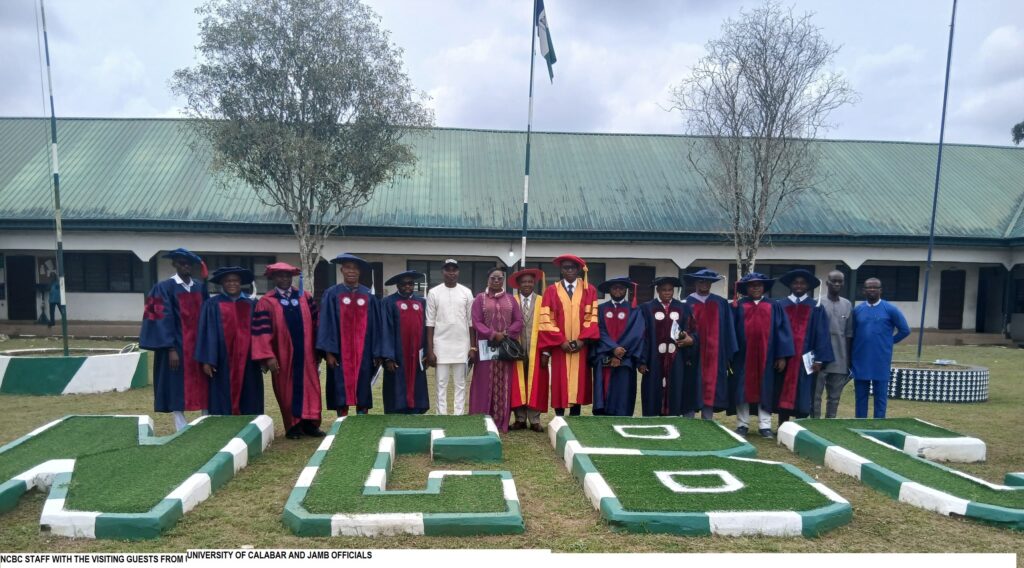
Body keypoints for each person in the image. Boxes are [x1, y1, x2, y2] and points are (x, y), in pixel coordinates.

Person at [251, 262, 323, 439]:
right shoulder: (266, 301)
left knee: (311, 388)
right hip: (283, 355)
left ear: (292, 277)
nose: (284, 278)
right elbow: (262, 332)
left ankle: (310, 424)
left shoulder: (305, 297)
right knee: (286, 390)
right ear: (273, 278)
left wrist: (319, 350)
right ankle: (293, 426)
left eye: (287, 275)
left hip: (307, 355)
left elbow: (317, 324)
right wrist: (268, 356)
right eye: (280, 275)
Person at [139, 248, 209, 431]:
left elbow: (208, 316)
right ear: (174, 264)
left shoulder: (200, 287)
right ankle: (180, 425)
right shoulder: (164, 288)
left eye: (188, 264)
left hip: (198, 346)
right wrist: (170, 348)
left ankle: (205, 418)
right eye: (181, 263)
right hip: (177, 346)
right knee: (176, 383)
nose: (186, 266)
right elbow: (162, 319)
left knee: (203, 382)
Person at [317, 253, 384, 416]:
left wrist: (377, 352)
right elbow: (325, 323)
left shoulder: (368, 295)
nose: (351, 271)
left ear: (359, 272)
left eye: (355, 268)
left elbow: (377, 325)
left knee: (363, 387)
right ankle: (342, 419)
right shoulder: (332, 294)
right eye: (348, 267)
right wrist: (328, 352)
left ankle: (362, 419)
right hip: (339, 352)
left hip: (364, 352)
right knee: (340, 388)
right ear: (341, 270)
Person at [195, 266, 264, 416]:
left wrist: (262, 356)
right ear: (222, 283)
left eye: (235, 280)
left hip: (248, 359)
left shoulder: (252, 303)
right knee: (222, 392)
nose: (232, 283)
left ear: (240, 282)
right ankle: (223, 422)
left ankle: (249, 421)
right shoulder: (211, 304)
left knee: (250, 391)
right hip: (221, 359)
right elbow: (205, 333)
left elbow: (261, 333)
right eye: (227, 281)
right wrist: (207, 360)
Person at [731, 272, 793, 438]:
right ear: (746, 288)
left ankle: (765, 426)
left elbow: (782, 332)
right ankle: (742, 424)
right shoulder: (738, 306)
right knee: (742, 389)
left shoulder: (774, 306)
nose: (756, 288)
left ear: (764, 287)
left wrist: (781, 356)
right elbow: (730, 331)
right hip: (743, 356)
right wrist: (731, 354)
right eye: (752, 285)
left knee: (765, 389)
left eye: (759, 285)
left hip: (767, 356)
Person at [538, 254, 600, 416]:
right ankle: (559, 417)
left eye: (573, 267)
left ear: (579, 269)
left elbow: (592, 318)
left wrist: (582, 340)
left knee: (579, 382)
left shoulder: (589, 290)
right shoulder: (551, 291)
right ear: (561, 270)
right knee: (560, 380)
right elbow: (546, 319)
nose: (570, 270)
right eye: (566, 268)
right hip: (560, 347)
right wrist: (561, 341)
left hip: (581, 346)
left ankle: (575, 416)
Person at [468, 268, 524, 432]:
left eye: (500, 278)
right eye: (493, 278)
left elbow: (519, 320)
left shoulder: (511, 299)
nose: (497, 281)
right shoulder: (480, 299)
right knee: (483, 382)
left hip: (505, 348)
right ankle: (481, 419)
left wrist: (506, 334)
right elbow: (476, 322)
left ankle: (500, 421)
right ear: (488, 279)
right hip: (486, 347)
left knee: (504, 382)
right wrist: (492, 334)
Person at [775, 269, 834, 425]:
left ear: (808, 286)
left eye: (803, 283)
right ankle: (782, 424)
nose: (799, 286)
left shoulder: (816, 307)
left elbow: (822, 334)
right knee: (782, 389)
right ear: (790, 285)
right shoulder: (780, 305)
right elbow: (775, 332)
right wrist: (779, 355)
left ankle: (799, 425)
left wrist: (820, 359)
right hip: (785, 359)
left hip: (806, 358)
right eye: (795, 283)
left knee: (804, 392)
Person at [851, 277, 910, 419]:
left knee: (880, 397)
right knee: (860, 397)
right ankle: (860, 423)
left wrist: (889, 342)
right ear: (863, 290)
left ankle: (879, 424)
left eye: (875, 287)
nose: (872, 290)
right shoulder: (857, 310)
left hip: (881, 360)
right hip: (861, 359)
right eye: (868, 287)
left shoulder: (890, 309)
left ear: (880, 290)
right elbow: (851, 333)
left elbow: (905, 330)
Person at [638, 277, 698, 417]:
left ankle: (673, 418)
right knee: (652, 390)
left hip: (676, 358)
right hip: (653, 358)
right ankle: (651, 419)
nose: (667, 293)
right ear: (657, 290)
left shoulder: (683, 308)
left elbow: (692, 331)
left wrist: (690, 339)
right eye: (664, 290)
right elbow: (642, 336)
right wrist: (642, 360)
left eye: (670, 290)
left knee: (675, 388)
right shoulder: (646, 308)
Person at [683, 269, 738, 419]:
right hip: (693, 354)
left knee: (711, 385)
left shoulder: (721, 303)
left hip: (715, 354)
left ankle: (707, 419)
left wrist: (728, 354)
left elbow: (729, 329)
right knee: (691, 383)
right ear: (695, 282)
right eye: (701, 281)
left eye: (707, 281)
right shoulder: (687, 303)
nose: (704, 284)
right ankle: (688, 418)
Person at [425, 258, 475, 415]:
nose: (451, 273)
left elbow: (471, 322)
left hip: (462, 344)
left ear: (458, 272)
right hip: (441, 345)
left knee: (460, 383)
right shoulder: (433, 292)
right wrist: (430, 350)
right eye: (448, 270)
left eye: (454, 270)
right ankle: (441, 415)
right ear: (443, 272)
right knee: (441, 383)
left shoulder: (466, 292)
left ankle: (458, 415)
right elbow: (430, 323)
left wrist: (473, 347)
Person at [591, 277, 646, 416]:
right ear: (609, 290)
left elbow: (636, 333)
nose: (617, 290)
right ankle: (602, 417)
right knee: (603, 390)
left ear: (626, 290)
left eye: (621, 288)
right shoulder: (600, 309)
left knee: (623, 392)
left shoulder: (634, 310)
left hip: (626, 358)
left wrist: (620, 353)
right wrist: (613, 349)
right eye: (614, 288)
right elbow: (598, 330)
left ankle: (622, 417)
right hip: (604, 356)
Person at [379, 270, 430, 414]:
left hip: (417, 352)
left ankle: (416, 409)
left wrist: (427, 352)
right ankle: (396, 410)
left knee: (417, 381)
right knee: (396, 381)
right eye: (403, 284)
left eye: (410, 283)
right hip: (397, 352)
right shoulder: (388, 302)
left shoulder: (422, 302)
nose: (407, 286)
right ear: (397, 286)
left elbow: (427, 328)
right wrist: (388, 357)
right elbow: (385, 329)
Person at [509, 268, 550, 431]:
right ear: (518, 284)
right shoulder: (511, 301)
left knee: (536, 383)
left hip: (537, 349)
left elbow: (548, 327)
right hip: (516, 349)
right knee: (517, 383)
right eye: (524, 282)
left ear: (534, 283)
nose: (527, 284)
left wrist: (546, 351)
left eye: (530, 281)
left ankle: (534, 419)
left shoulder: (543, 301)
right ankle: (520, 418)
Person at [815, 270, 854, 418]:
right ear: (827, 283)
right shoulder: (817, 303)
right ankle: (815, 424)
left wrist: (848, 360)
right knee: (815, 396)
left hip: (840, 358)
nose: (837, 284)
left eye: (840, 281)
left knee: (834, 398)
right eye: (834, 281)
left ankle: (830, 423)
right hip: (820, 359)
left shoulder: (847, 304)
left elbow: (849, 334)